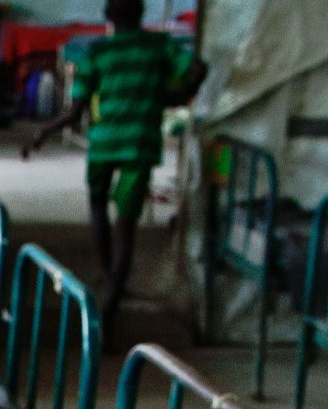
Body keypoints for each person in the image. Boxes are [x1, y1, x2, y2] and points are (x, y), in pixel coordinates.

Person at [20, 0, 201, 333]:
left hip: (103, 144)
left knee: (97, 205)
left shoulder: (97, 53)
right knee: (127, 224)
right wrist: (173, 94)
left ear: (108, 19)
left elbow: (75, 111)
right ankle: (112, 300)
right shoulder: (159, 46)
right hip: (139, 143)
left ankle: (107, 276)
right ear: (140, 14)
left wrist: (42, 132)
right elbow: (195, 68)